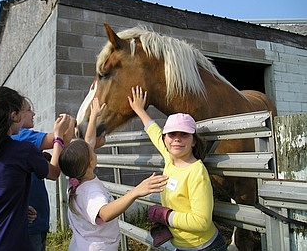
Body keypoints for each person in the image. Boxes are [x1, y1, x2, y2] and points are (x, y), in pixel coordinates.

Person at [0, 86, 70, 251]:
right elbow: (53, 173)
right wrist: (58, 137)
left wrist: (13, 210)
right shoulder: (23, 151)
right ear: (14, 115)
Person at [58, 97, 169, 251]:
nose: (93, 145)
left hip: (81, 244)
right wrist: (135, 192)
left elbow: (88, 141)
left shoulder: (76, 179)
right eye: (91, 150)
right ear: (90, 162)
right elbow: (105, 213)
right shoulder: (91, 192)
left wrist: (94, 117)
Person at [128, 86, 227, 251]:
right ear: (165, 139)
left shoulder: (196, 172)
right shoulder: (170, 157)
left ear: (193, 140)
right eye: (172, 134)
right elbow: (154, 131)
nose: (177, 140)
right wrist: (139, 109)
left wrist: (166, 216)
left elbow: (202, 221)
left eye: (184, 134)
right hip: (180, 245)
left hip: (204, 247)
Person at [12, 98, 76, 251]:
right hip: (29, 223)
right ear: (15, 115)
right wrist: (71, 123)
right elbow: (58, 140)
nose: (33, 113)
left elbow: (60, 142)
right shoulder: (23, 138)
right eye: (28, 110)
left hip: (32, 219)